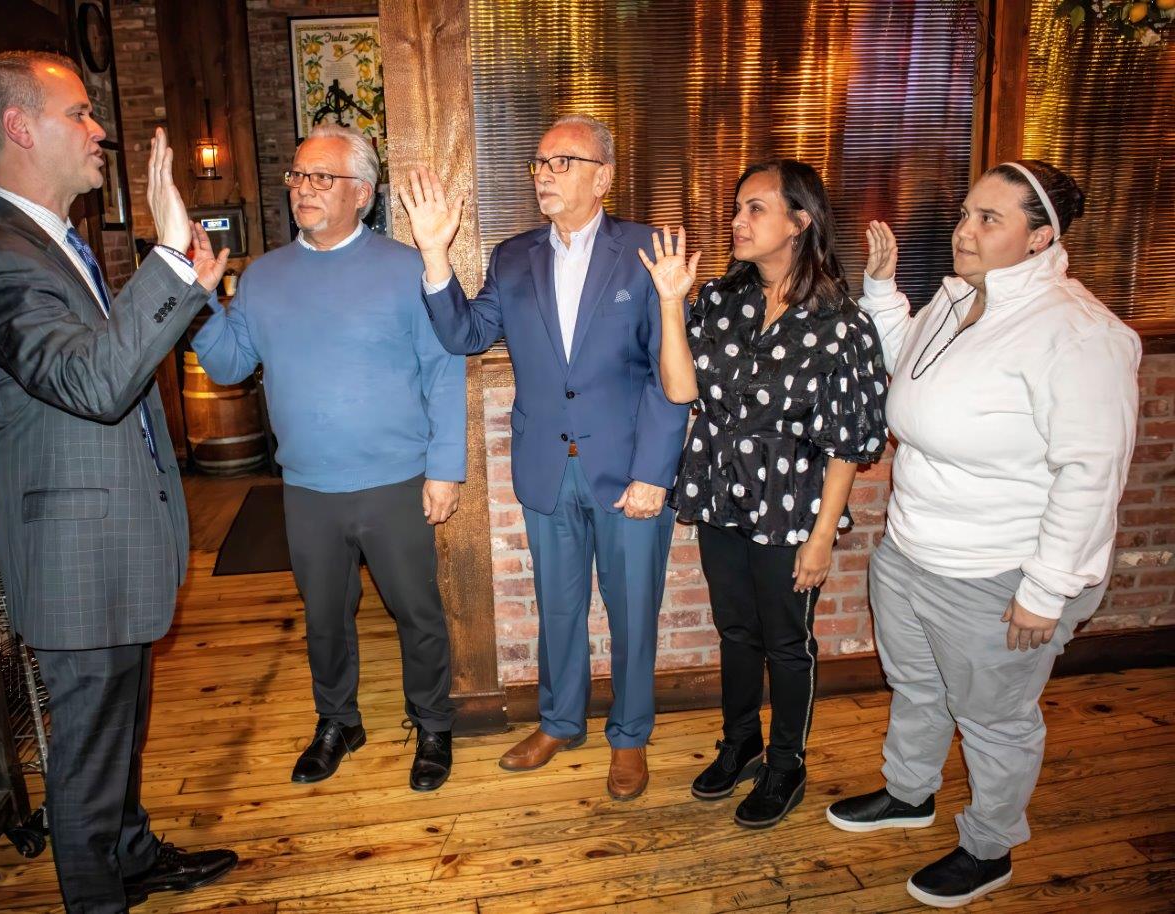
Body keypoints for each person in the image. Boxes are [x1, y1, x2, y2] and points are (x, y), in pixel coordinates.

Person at [0, 51, 237, 913]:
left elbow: (108, 367)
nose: (100, 129)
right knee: (84, 769)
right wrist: (170, 265)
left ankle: (134, 854)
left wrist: (184, 287)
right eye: (80, 113)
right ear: (21, 128)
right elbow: (95, 386)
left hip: (114, 547)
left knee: (118, 742)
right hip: (78, 561)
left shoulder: (55, 245)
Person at [825, 161, 1141, 908]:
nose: (964, 230)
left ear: (1040, 239)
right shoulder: (960, 296)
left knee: (994, 719)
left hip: (999, 571)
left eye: (988, 220)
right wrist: (881, 290)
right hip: (912, 550)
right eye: (965, 213)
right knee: (918, 688)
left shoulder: (1078, 333)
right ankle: (909, 795)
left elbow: (1092, 472)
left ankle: (989, 845)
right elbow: (914, 370)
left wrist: (1046, 590)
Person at [399, 114, 689, 800]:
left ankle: (630, 738)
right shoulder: (513, 256)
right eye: (539, 163)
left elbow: (668, 376)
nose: (546, 174)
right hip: (546, 468)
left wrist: (656, 472)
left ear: (604, 176)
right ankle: (560, 722)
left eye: (564, 161)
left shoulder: (649, 250)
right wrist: (436, 258)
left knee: (632, 610)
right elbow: (466, 335)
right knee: (557, 608)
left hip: (628, 473)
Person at [191, 123, 465, 792]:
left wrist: (445, 468)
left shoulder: (408, 269)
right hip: (307, 487)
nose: (303, 189)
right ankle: (338, 721)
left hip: (397, 481)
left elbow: (442, 368)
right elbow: (227, 365)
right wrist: (200, 296)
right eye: (297, 176)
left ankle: (432, 725)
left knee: (418, 615)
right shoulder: (262, 278)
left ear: (363, 194)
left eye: (321, 177)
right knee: (323, 618)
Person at [638, 160, 888, 828]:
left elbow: (846, 444)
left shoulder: (842, 323)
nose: (736, 221)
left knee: (786, 642)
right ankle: (741, 739)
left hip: (793, 506)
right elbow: (681, 389)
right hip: (723, 494)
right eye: (736, 208)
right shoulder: (723, 298)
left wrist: (820, 539)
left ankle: (786, 765)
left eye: (754, 209)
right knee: (736, 630)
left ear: (800, 221)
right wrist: (671, 302)